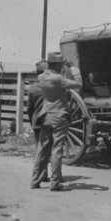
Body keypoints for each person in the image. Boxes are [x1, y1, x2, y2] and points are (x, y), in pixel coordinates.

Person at [30, 52, 82, 191]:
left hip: (45, 115)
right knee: (57, 149)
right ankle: (56, 182)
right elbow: (79, 84)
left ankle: (35, 181)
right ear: (58, 64)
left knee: (43, 149)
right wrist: (73, 69)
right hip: (58, 116)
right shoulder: (58, 79)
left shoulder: (42, 77)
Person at [28, 60, 49, 183]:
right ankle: (56, 176)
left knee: (39, 149)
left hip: (37, 122)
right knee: (51, 148)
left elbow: (29, 109)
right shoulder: (52, 86)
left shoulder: (33, 88)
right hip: (50, 120)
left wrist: (32, 121)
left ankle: (42, 175)